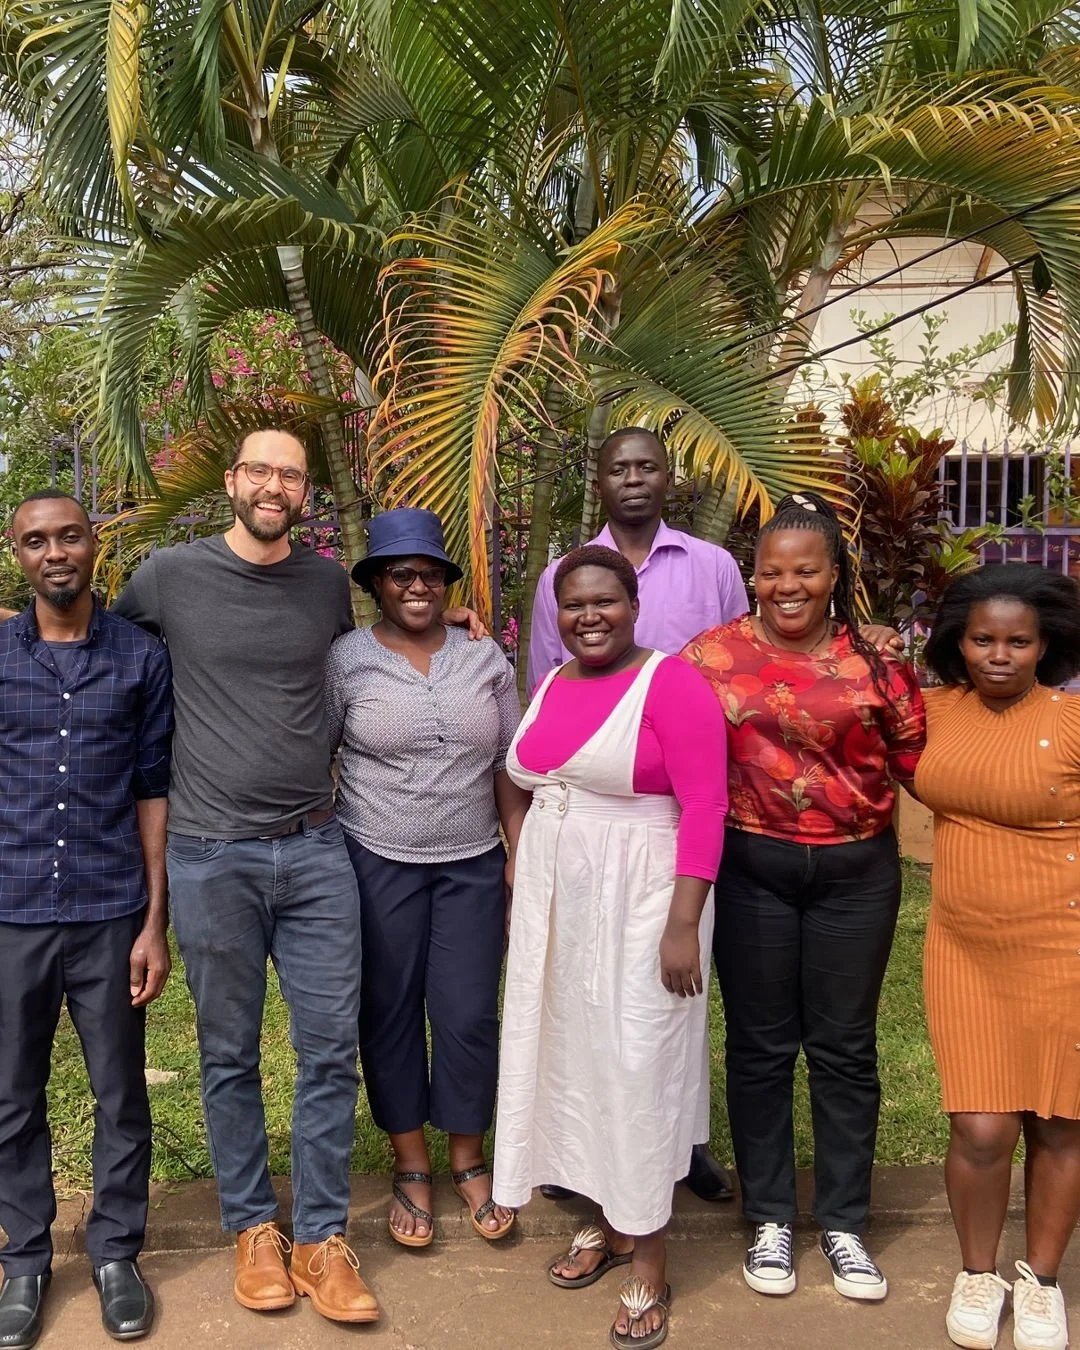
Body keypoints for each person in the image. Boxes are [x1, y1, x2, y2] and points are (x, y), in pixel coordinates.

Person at [112, 429, 385, 1324]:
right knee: (227, 1055)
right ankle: (251, 1230)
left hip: (315, 850)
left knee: (326, 1052)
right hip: (207, 853)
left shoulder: (323, 585)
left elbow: (359, 662)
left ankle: (320, 1237)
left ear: (305, 492)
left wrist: (445, 623)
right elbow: (106, 649)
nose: (276, 486)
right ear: (233, 481)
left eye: (291, 475)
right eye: (260, 470)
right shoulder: (168, 577)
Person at [682, 491, 925, 1303]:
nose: (787, 586)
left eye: (806, 572)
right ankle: (772, 1219)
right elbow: (658, 742)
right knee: (758, 1048)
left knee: (844, 1048)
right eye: (772, 573)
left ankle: (846, 1222)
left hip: (856, 876)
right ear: (754, 578)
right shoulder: (710, 657)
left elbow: (924, 763)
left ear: (833, 576)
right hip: (755, 870)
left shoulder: (879, 661)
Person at [494, 544, 728, 1349]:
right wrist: (522, 849)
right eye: (574, 604)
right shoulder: (557, 682)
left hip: (644, 897)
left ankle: (649, 1266)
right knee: (580, 1059)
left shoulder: (673, 683)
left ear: (634, 605)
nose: (589, 616)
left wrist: (681, 924)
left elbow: (705, 807)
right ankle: (608, 1221)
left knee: (638, 1068)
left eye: (605, 601)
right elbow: (518, 774)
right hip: (566, 902)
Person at [527, 426, 746, 1204]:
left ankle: (685, 1145)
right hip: (592, 818)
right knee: (588, 996)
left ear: (667, 476)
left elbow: (742, 660)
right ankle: (582, 1144)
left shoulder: (713, 566)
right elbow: (545, 686)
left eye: (646, 466)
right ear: (600, 480)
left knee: (667, 1001)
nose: (633, 479)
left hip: (676, 808)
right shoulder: (564, 572)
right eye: (617, 468)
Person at [325, 508, 530, 1249]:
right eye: (400, 574)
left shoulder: (486, 659)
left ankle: (469, 1158)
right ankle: (411, 1164)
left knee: (469, 1011)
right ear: (378, 584)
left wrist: (517, 854)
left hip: (473, 860)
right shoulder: (345, 660)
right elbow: (318, 755)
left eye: (430, 574)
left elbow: (509, 763)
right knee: (389, 1011)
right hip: (374, 857)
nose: (417, 585)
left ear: (448, 582)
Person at [0, 491, 173, 1350]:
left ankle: (115, 1253)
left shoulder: (141, 657)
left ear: (94, 545)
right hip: (13, 911)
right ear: (18, 555)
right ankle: (24, 1259)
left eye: (69, 535)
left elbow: (153, 790)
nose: (55, 552)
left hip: (109, 912)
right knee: (10, 1096)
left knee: (119, 1094)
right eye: (37, 541)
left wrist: (154, 920)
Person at [917, 564, 1080, 1350]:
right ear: (960, 641)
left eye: (1019, 641)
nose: (1000, 655)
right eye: (983, 639)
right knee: (981, 1128)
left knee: (1060, 1121)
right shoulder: (934, 712)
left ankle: (1041, 1282)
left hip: (1063, 946)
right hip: (964, 946)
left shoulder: (1072, 720)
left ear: (1046, 645)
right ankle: (977, 1272)